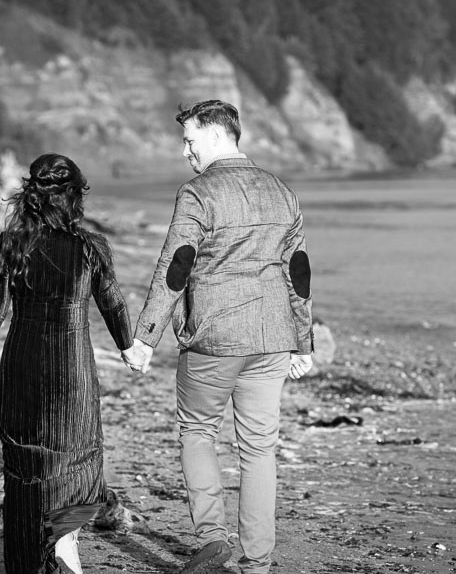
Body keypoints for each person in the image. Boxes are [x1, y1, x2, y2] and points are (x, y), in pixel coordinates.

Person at [122, 100, 314, 574]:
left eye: (189, 140)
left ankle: (211, 536)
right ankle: (258, 563)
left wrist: (145, 337)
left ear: (213, 135)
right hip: (272, 338)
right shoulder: (281, 191)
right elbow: (298, 272)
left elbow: (176, 265)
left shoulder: (197, 193)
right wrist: (302, 341)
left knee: (198, 432)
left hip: (213, 338)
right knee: (259, 448)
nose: (185, 151)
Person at [0, 153, 134, 574]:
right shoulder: (91, 247)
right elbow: (113, 304)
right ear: (73, 198)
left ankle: (28, 561)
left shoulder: (11, 243)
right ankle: (64, 543)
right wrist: (131, 349)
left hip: (21, 362)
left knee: (25, 466)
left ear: (33, 196)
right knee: (77, 461)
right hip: (70, 366)